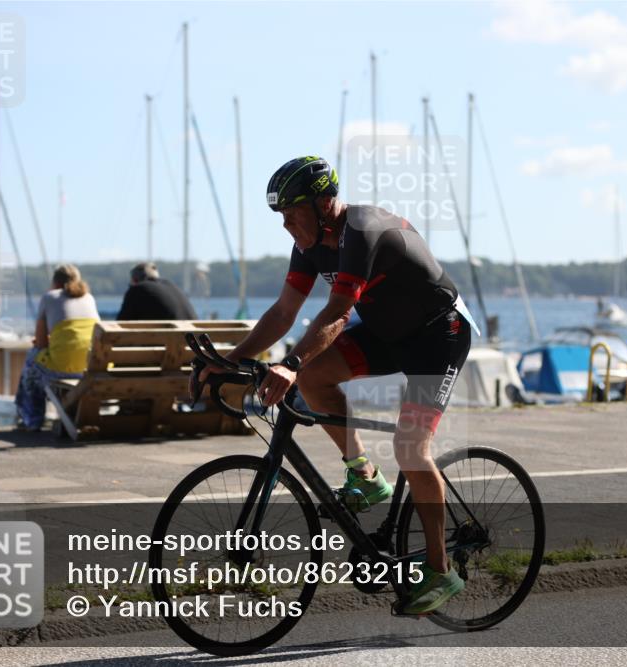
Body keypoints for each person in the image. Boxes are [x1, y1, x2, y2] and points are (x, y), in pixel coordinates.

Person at [194, 156, 476, 614]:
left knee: (410, 448)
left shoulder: (362, 231)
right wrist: (231, 360)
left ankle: (442, 570)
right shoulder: (309, 244)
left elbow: (340, 313)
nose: (286, 226)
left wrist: (288, 362)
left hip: (439, 335)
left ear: (324, 203)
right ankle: (365, 476)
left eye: (292, 214)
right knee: (315, 375)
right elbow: (284, 312)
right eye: (281, 217)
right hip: (389, 333)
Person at [15, 264, 100, 430]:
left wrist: (44, 342)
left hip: (62, 368)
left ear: (55, 282)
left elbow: (40, 343)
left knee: (32, 360)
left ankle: (33, 419)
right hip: (90, 367)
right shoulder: (89, 298)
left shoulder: (49, 297)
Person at [116, 262, 198, 321]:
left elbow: (121, 323)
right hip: (193, 343)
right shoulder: (171, 286)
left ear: (134, 279)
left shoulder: (137, 289)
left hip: (168, 343)